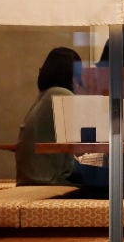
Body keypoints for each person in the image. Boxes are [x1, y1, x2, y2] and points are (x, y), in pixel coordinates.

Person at [15, 46, 89, 187]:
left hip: (30, 180)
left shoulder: (46, 96)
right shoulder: (63, 96)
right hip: (49, 181)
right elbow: (84, 146)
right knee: (110, 183)